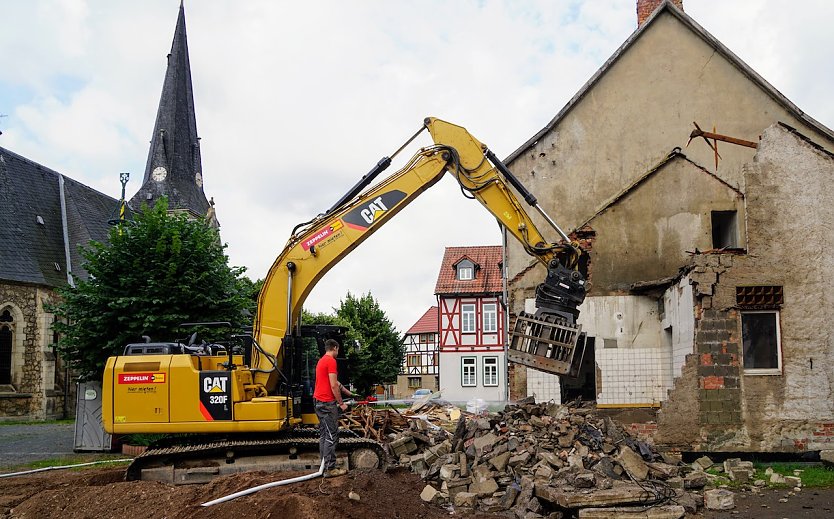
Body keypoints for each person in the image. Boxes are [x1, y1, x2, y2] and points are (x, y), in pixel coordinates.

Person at [313, 338, 354, 477]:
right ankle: (330, 469)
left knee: (325, 435)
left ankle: (324, 465)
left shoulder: (322, 360)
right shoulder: (331, 361)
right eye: (338, 349)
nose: (338, 351)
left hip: (318, 402)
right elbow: (333, 385)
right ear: (335, 348)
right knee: (332, 435)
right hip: (326, 403)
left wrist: (348, 392)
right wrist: (341, 403)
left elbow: (334, 381)